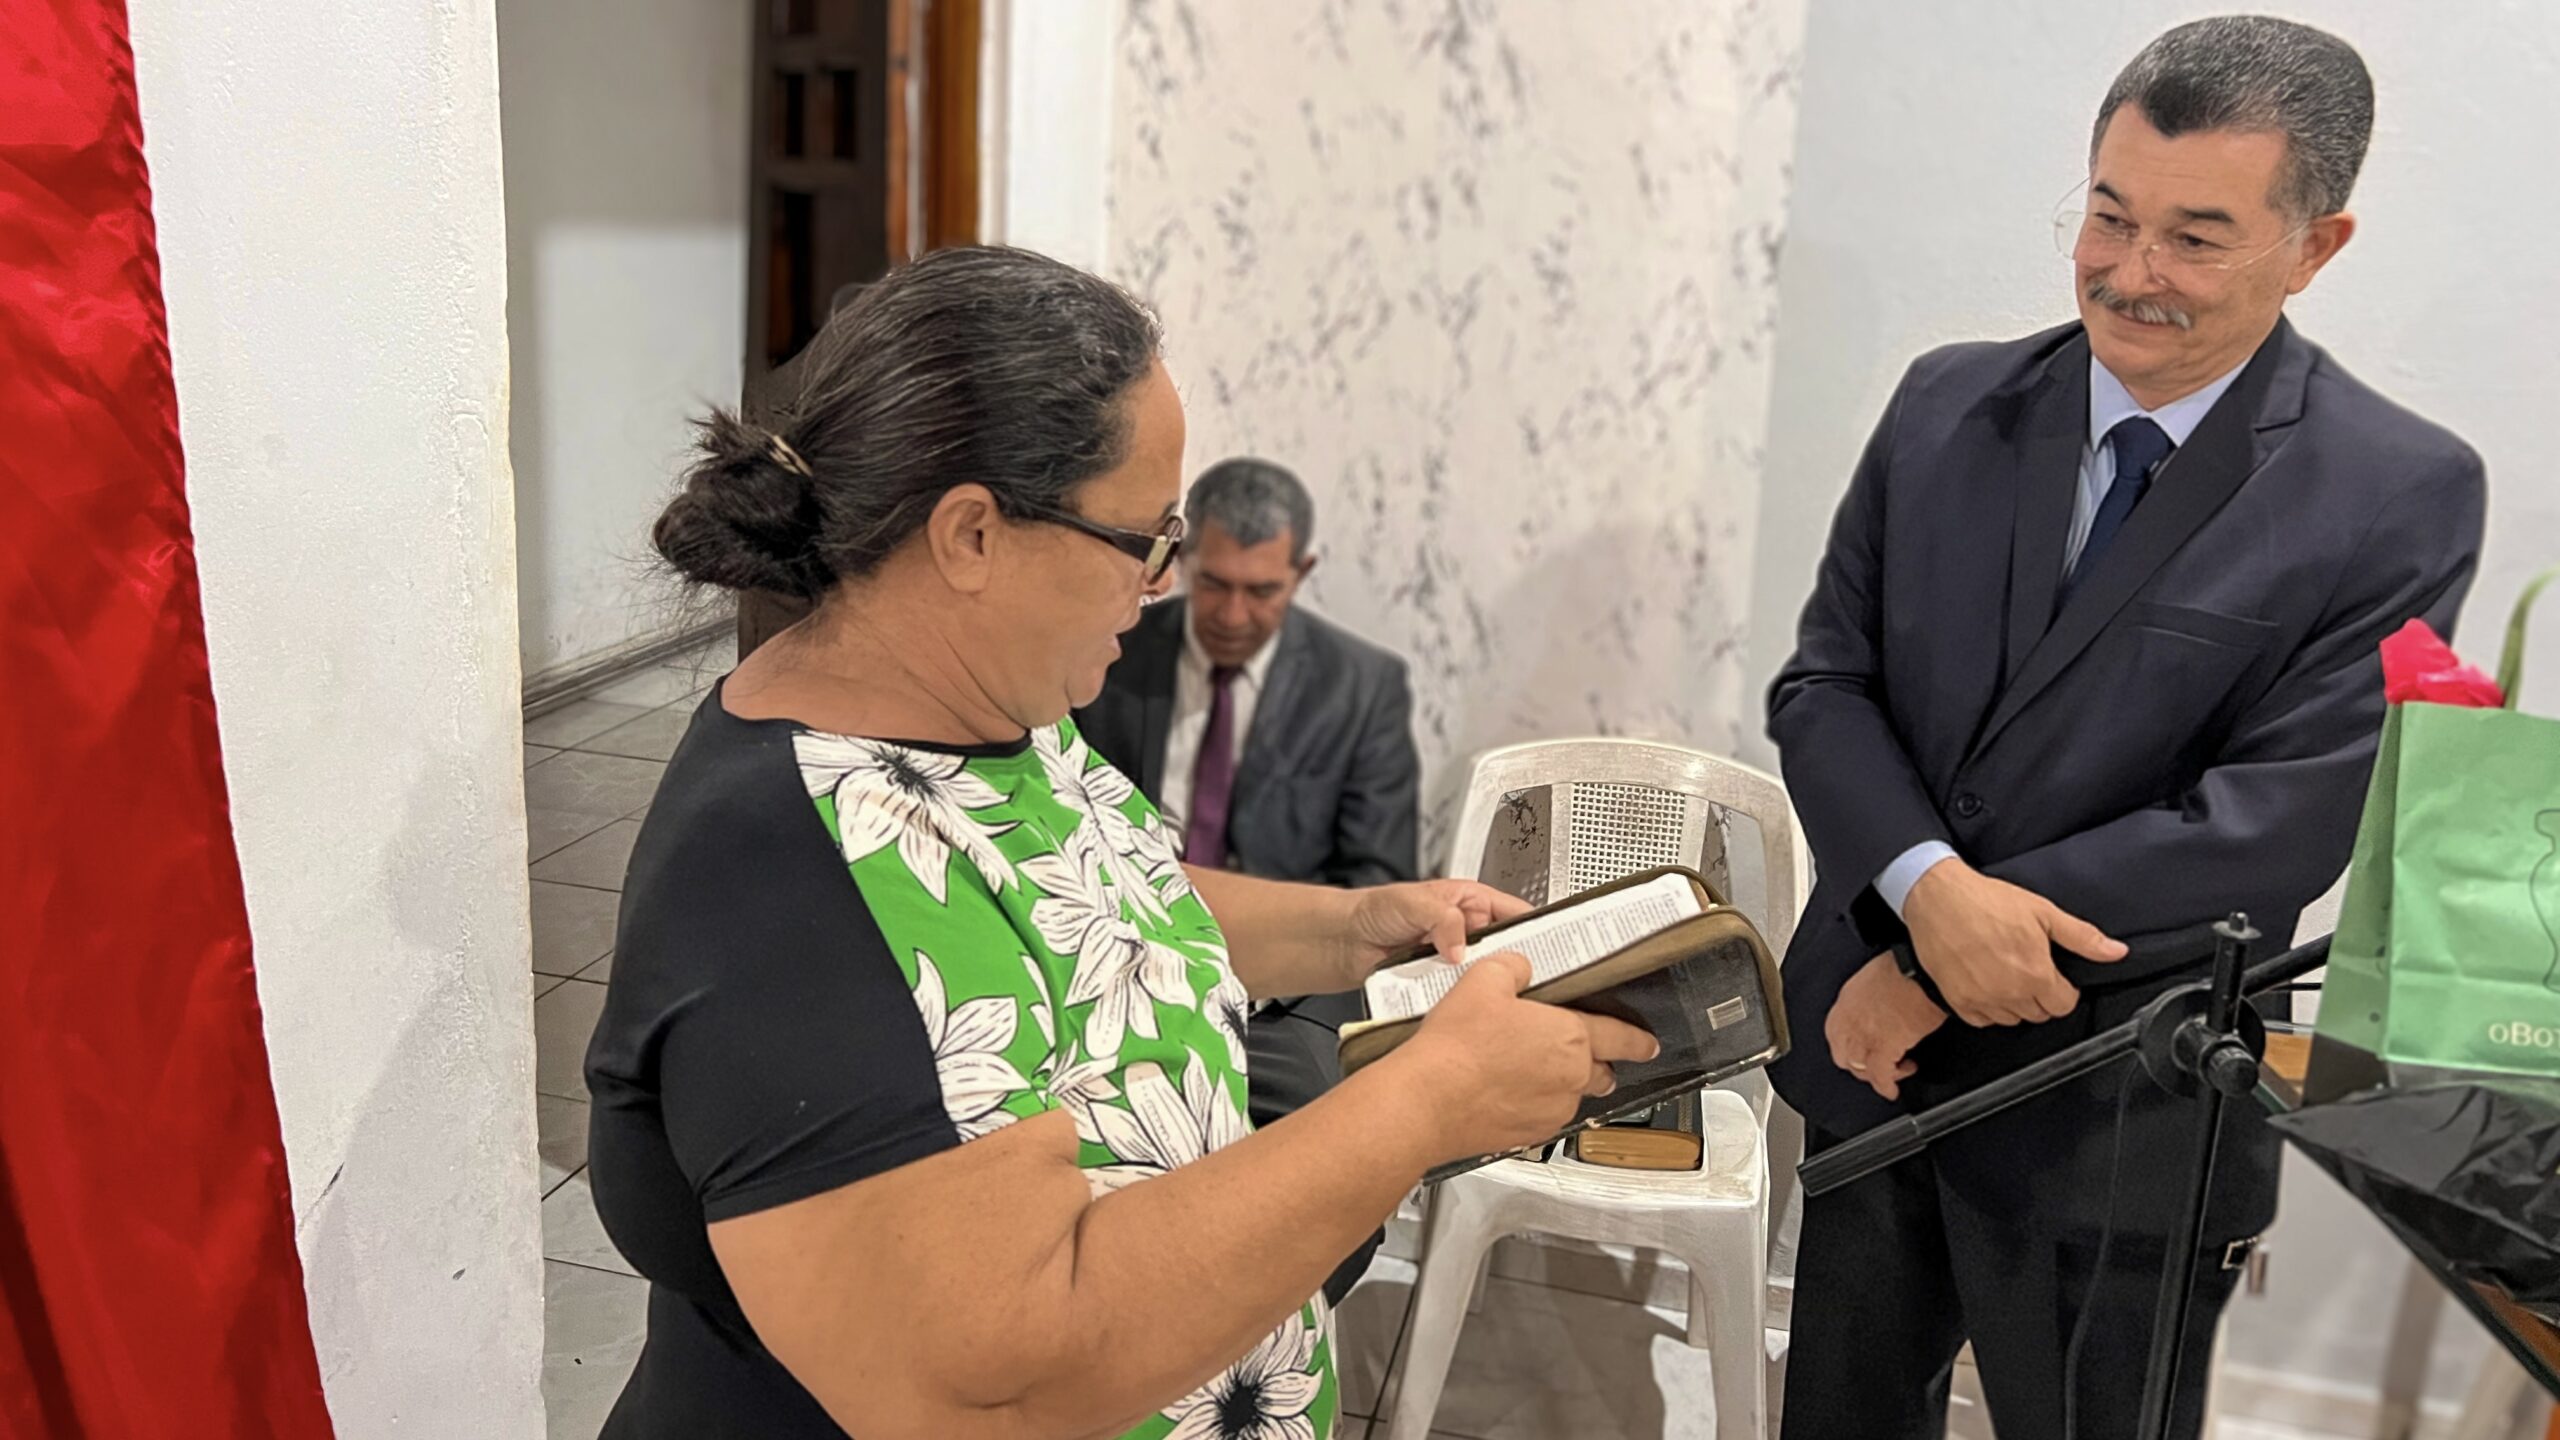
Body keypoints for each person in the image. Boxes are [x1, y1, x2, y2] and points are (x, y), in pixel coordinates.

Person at [583, 245, 1659, 1440]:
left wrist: (1352, 930)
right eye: (1144, 541)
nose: (1159, 586)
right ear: (971, 536)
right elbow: (1003, 1380)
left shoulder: (991, 711)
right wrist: (1429, 1101)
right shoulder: (787, 885)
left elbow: (1089, 903)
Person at [1765, 19, 2485, 1439]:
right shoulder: (1946, 405)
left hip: (2120, 1099)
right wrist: (1927, 898)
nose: (2128, 271)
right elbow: (1825, 688)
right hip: (1870, 1062)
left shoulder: (2395, 490)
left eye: (2194, 239)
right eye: (2108, 216)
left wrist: (1938, 965)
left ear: (2316, 246)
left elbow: (2275, 824)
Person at [1076, 456, 1422, 1302]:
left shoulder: (1361, 687)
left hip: (1287, 995)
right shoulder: (1106, 651)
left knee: (1333, 1174)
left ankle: (1264, 1346)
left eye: (1261, 591)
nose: (1233, 615)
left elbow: (1375, 878)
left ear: (1301, 572)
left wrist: (1278, 966)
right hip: (1123, 958)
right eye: (1215, 584)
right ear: (1184, 559)